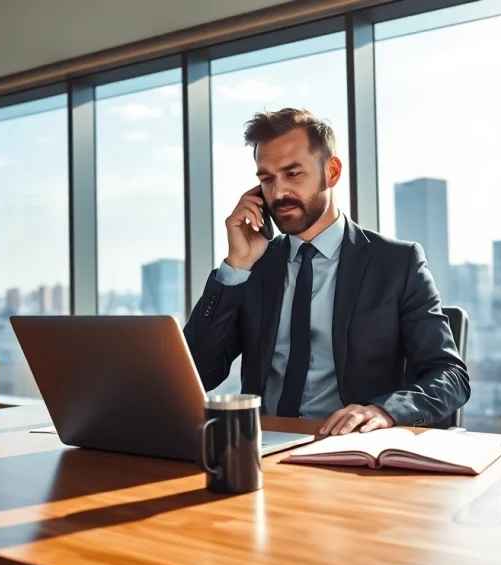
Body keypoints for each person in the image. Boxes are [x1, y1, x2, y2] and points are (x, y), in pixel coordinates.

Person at [184, 108, 469, 435]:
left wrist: (384, 411)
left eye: (293, 174)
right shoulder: (256, 266)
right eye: (267, 179)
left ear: (331, 172)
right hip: (262, 447)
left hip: (352, 452)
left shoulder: (397, 263)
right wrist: (236, 266)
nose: (278, 194)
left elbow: (450, 376)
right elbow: (197, 373)